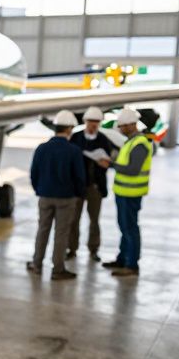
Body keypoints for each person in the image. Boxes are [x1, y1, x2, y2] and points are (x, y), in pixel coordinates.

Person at [29, 110, 86, 280]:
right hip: (66, 199)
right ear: (69, 129)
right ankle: (58, 269)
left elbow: (34, 173)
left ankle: (36, 264)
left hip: (44, 197)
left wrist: (40, 190)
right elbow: (79, 177)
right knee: (61, 234)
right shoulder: (73, 151)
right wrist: (78, 194)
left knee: (42, 230)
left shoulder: (42, 148)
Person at [105, 107, 154, 277]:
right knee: (124, 227)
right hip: (124, 192)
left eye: (122, 126)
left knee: (130, 228)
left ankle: (132, 264)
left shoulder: (139, 144)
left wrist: (111, 164)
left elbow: (132, 170)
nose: (120, 130)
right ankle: (123, 259)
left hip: (131, 194)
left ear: (131, 125)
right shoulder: (131, 141)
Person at [67, 106, 116, 262]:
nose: (93, 125)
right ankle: (71, 248)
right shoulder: (75, 138)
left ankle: (93, 249)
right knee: (73, 219)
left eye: (96, 122)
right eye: (91, 122)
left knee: (94, 220)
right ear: (85, 122)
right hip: (77, 187)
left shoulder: (103, 140)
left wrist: (105, 163)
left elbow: (108, 160)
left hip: (95, 186)